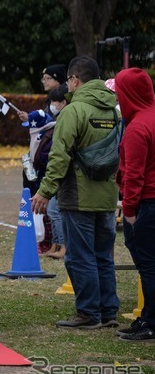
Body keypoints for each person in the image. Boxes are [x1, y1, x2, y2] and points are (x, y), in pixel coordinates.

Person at [30, 55, 120, 330]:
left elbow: (59, 157)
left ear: (73, 80)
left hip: (78, 196)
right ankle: (108, 312)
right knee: (103, 256)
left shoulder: (74, 111)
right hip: (107, 196)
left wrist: (45, 191)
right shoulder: (113, 111)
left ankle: (88, 313)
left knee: (80, 256)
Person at [114, 67, 155, 341]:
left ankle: (150, 322)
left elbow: (134, 175)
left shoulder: (137, 127)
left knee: (148, 266)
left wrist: (128, 212)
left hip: (146, 204)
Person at [22, 109, 55, 254]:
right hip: (37, 180)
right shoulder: (41, 135)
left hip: (45, 181)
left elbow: (45, 160)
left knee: (46, 213)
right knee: (41, 213)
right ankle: (43, 243)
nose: (29, 129)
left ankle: (47, 243)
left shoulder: (47, 137)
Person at [42, 83, 70, 259]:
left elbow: (61, 152)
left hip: (62, 173)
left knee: (54, 210)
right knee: (53, 210)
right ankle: (56, 244)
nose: (53, 105)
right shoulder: (59, 119)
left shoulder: (66, 119)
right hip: (58, 172)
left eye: (55, 101)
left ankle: (63, 246)